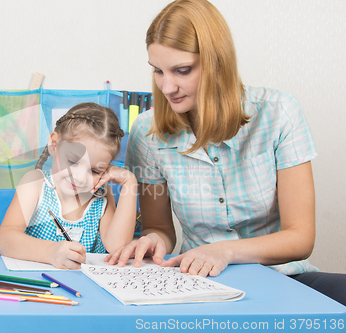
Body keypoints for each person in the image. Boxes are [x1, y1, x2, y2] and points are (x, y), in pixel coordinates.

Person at [97, 0, 346, 305]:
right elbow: (160, 229)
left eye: (182, 70)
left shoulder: (279, 112)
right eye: (158, 71)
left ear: (217, 62)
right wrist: (151, 240)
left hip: (282, 276)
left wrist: (225, 250)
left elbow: (300, 238)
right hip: (199, 282)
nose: (167, 86)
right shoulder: (148, 133)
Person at [0, 102, 137, 270]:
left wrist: (129, 181)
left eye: (94, 170)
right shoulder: (35, 184)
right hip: (40, 286)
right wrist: (50, 252)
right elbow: (5, 240)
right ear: (54, 144)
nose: (79, 177)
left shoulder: (101, 194)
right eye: (72, 161)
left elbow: (117, 246)